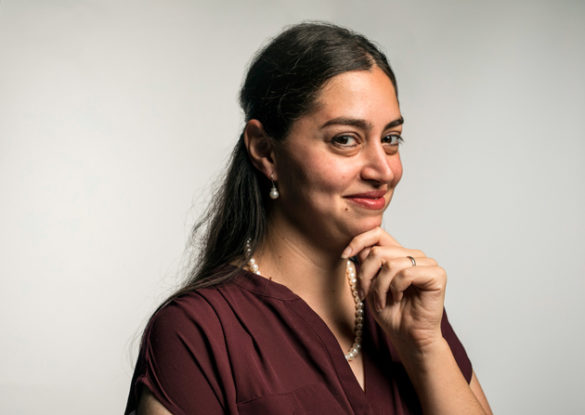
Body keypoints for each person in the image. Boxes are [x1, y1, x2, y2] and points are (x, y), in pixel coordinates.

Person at [125, 22, 492, 415]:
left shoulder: (406, 303)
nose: (383, 170)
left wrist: (425, 346)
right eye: (345, 139)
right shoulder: (197, 332)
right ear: (266, 151)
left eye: (390, 139)